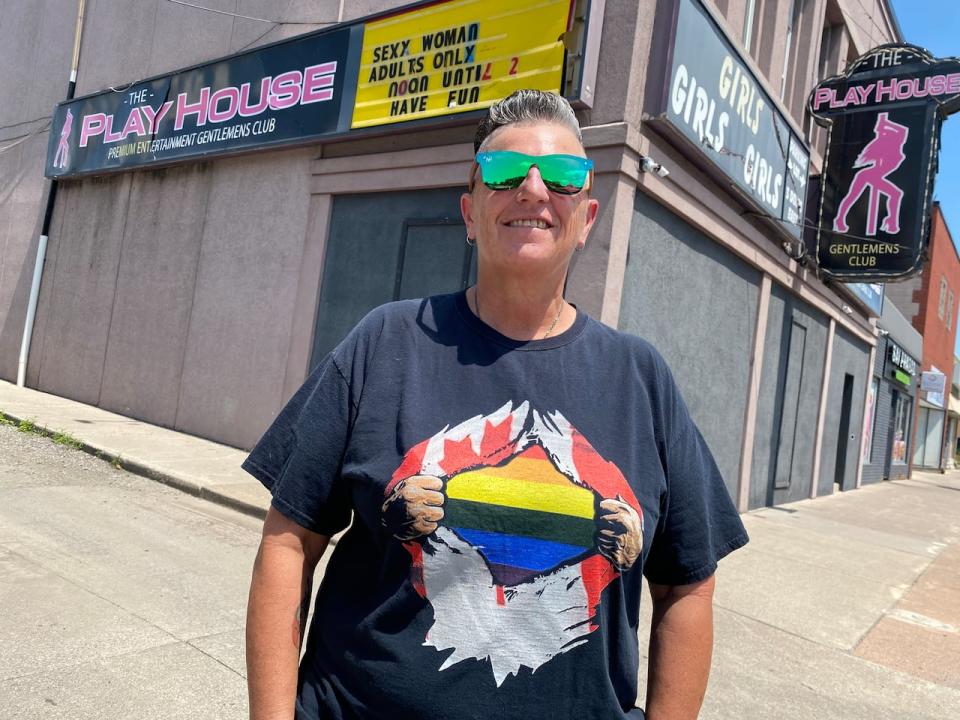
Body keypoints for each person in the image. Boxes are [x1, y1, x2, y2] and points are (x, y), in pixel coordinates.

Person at [244, 89, 748, 720]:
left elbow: (687, 581)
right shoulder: (386, 342)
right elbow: (289, 540)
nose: (534, 190)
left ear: (587, 217)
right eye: (504, 172)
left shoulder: (639, 377)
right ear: (470, 211)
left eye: (563, 177)